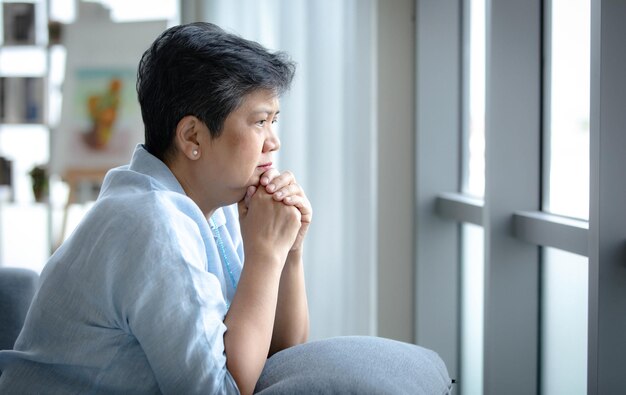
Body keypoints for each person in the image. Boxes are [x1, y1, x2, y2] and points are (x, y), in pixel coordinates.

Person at [0, 22, 311, 395]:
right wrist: (265, 255)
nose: (273, 142)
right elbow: (221, 389)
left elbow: (282, 358)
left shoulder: (220, 205)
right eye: (260, 122)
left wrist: (289, 252)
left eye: (273, 121)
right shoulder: (152, 224)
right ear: (193, 136)